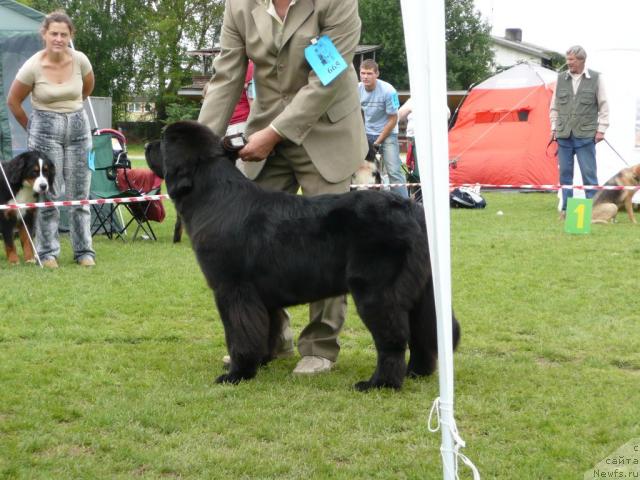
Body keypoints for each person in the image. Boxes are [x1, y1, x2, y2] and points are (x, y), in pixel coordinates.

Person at [198, 0, 368, 374]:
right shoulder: (239, 6)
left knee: (329, 240)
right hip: (263, 130)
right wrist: (202, 145)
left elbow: (329, 75)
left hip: (326, 131)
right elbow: (226, 76)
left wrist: (274, 134)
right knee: (250, 241)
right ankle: (267, 340)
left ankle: (319, 346)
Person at [6, 11, 95, 268]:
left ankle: (84, 251)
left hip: (78, 128)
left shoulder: (81, 60)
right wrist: (32, 127)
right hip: (45, 129)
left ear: (71, 36)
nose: (58, 39)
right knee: (49, 196)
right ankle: (48, 253)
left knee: (80, 193)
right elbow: (13, 101)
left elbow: (87, 89)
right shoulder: (33, 65)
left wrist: (71, 107)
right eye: (53, 33)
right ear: (44, 34)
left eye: (63, 34)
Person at [550, 45, 609, 219]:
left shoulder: (596, 78)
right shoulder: (560, 78)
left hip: (586, 135)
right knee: (565, 176)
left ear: (582, 60)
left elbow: (604, 105)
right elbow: (554, 107)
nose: (568, 63)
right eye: (567, 59)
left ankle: (594, 212)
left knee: (589, 175)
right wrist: (554, 128)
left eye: (572, 60)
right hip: (564, 135)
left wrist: (602, 130)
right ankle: (566, 211)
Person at [359, 59, 407, 198]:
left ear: (377, 74)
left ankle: (404, 205)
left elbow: (393, 119)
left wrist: (377, 142)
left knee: (393, 171)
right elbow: (356, 113)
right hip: (367, 133)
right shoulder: (357, 89)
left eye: (369, 73)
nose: (365, 77)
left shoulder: (389, 91)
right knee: (359, 170)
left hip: (388, 133)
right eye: (362, 73)